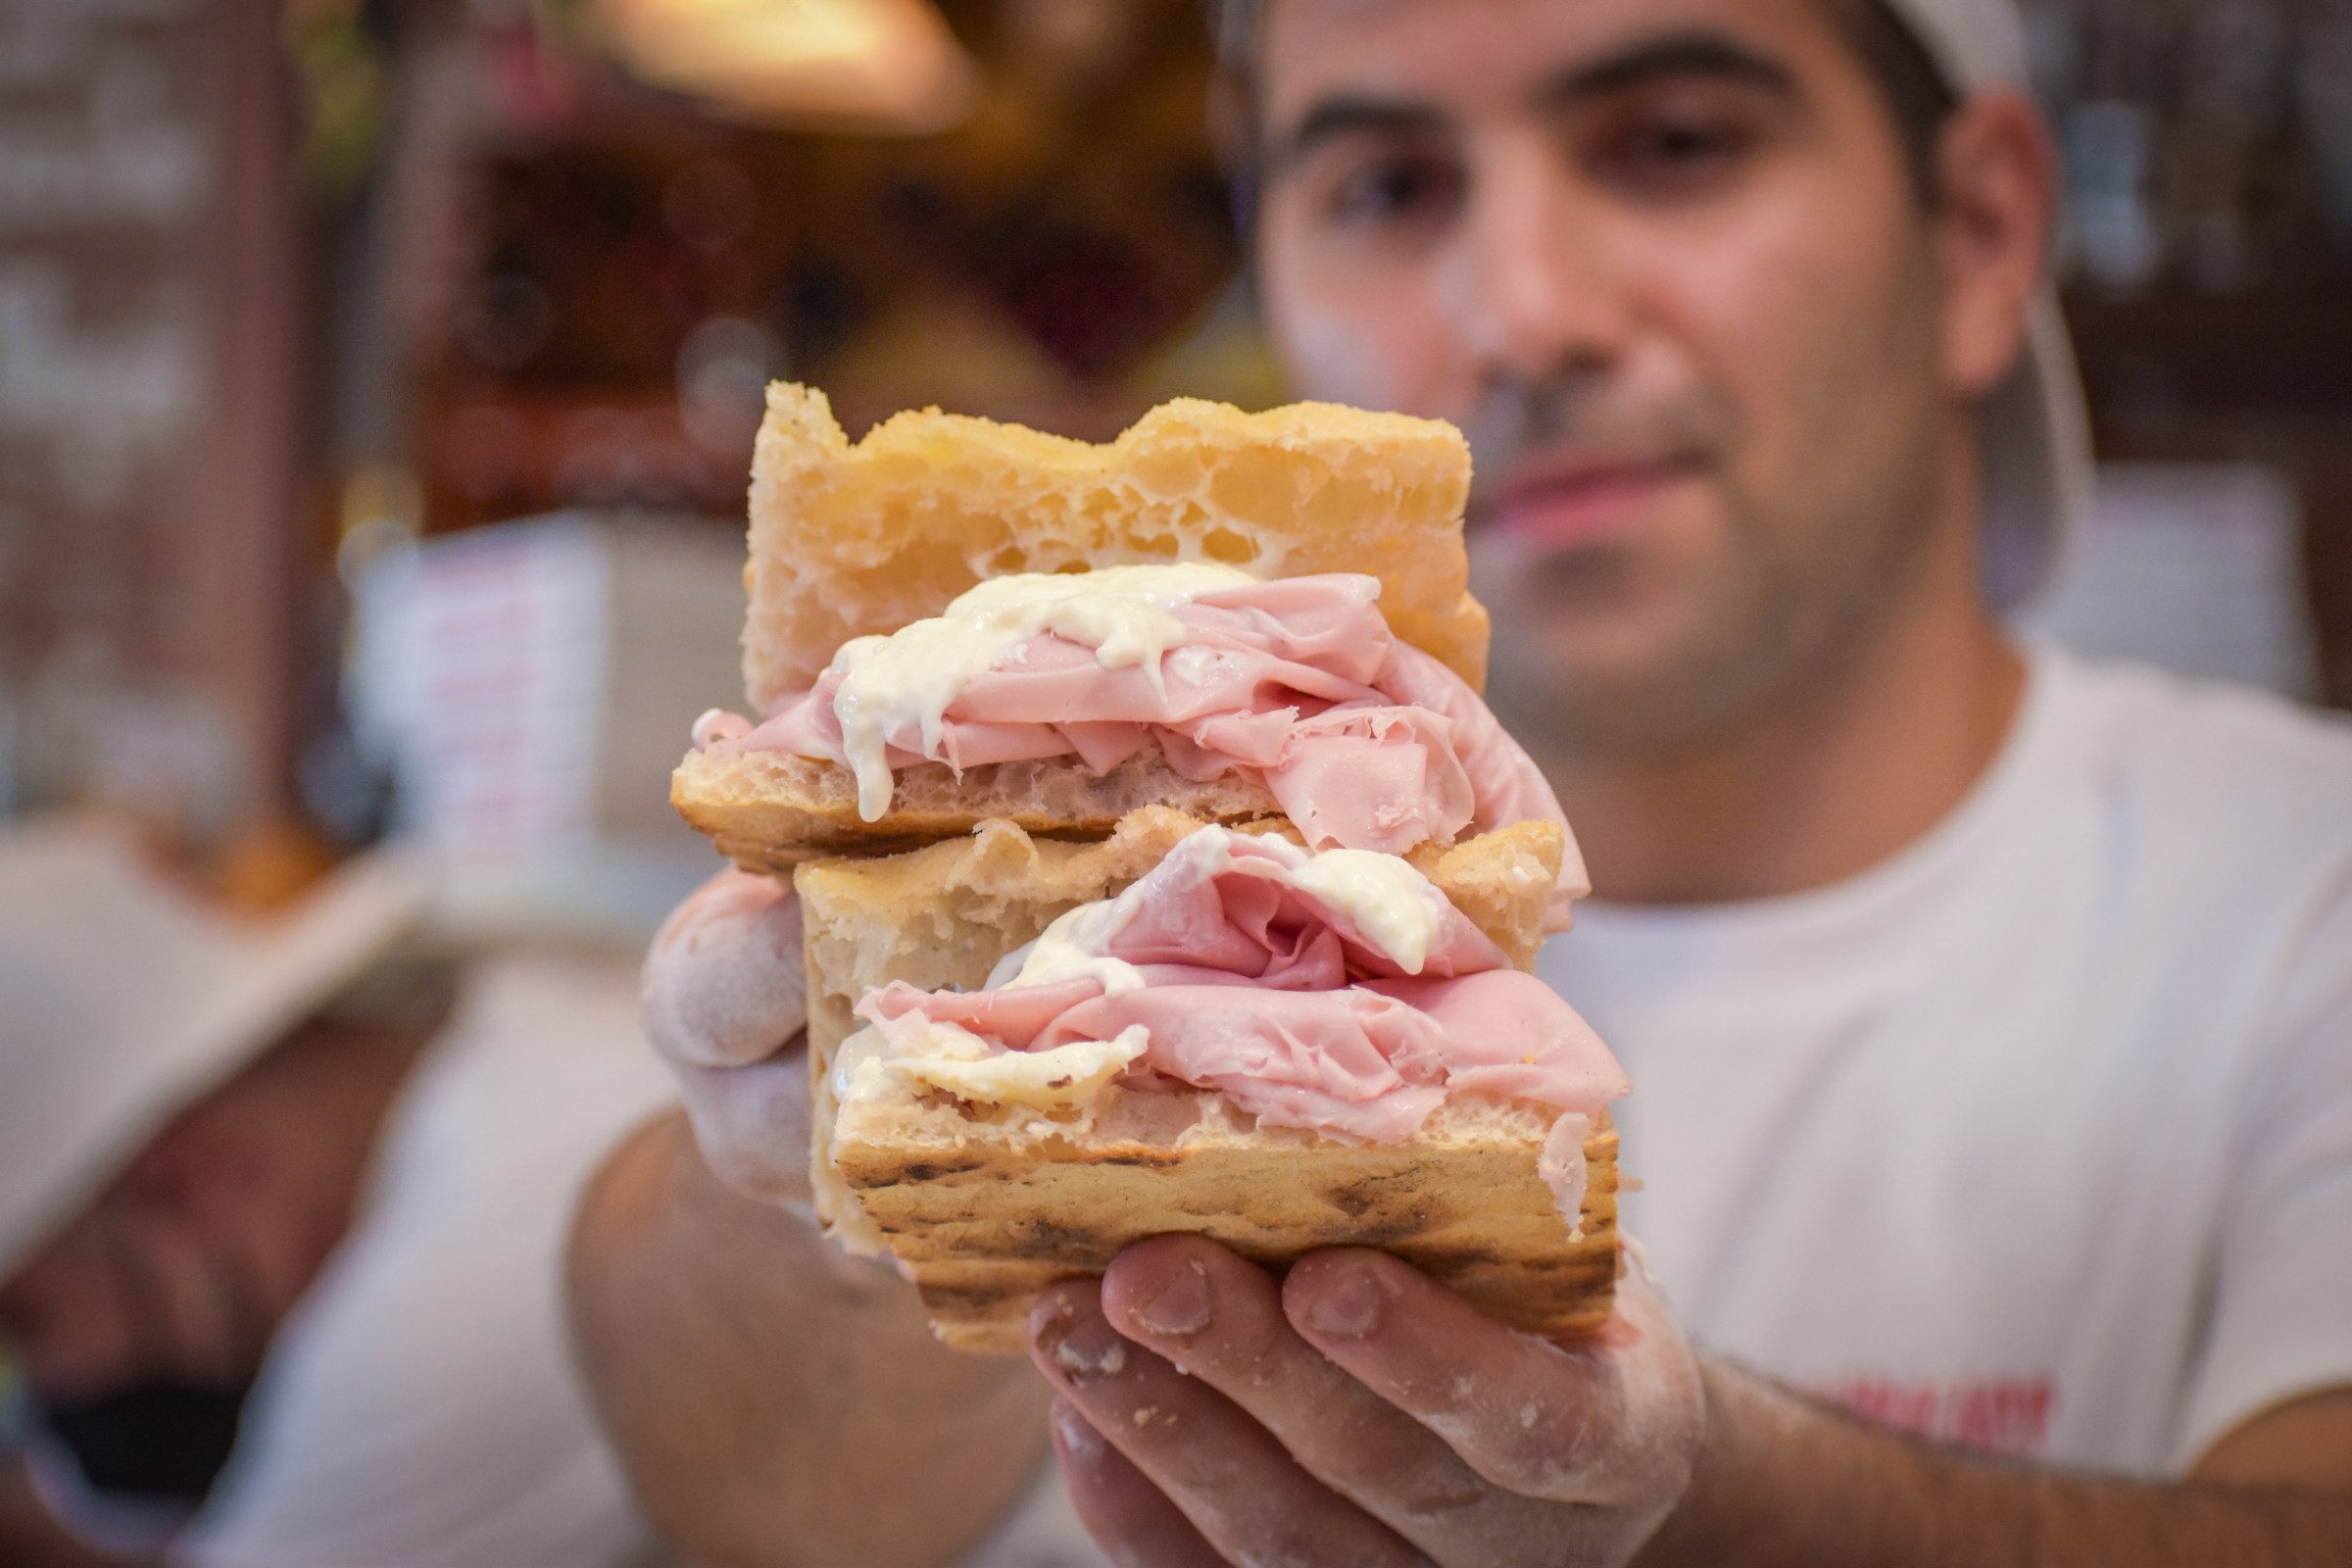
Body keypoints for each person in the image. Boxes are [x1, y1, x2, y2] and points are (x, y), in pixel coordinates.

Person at [565, 0, 2352, 1563]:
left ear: (1973, 234)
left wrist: (1722, 1513)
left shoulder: (2294, 897)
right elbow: (738, 1503)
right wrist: (834, 1184)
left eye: (1673, 144)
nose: (1521, 313)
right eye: (1390, 189)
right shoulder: (977, 873)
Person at [0, 817, 675, 1566]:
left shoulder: (425, 1334)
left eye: (26, 1323)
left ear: (191, 1179)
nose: (53, 1383)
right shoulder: (531, 1020)